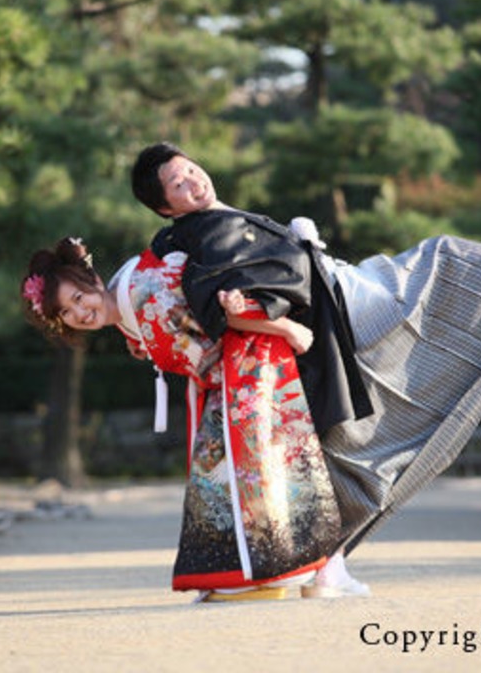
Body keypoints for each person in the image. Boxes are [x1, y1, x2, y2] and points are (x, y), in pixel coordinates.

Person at [130, 141, 481, 596]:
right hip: (334, 308)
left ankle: (327, 568)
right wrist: (270, 313)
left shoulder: (210, 223)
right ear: (166, 208)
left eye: (190, 168)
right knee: (443, 258)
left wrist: (301, 248)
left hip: (334, 292)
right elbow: (216, 299)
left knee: (350, 457)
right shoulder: (195, 239)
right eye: (177, 184)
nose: (193, 181)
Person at [21, 237, 342, 602]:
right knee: (218, 476)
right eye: (65, 313)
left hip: (249, 357)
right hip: (227, 372)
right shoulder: (124, 302)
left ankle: (291, 570)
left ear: (94, 282)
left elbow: (219, 311)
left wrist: (285, 328)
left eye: (79, 298)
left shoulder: (145, 293)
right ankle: (249, 575)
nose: (79, 314)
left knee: (253, 469)